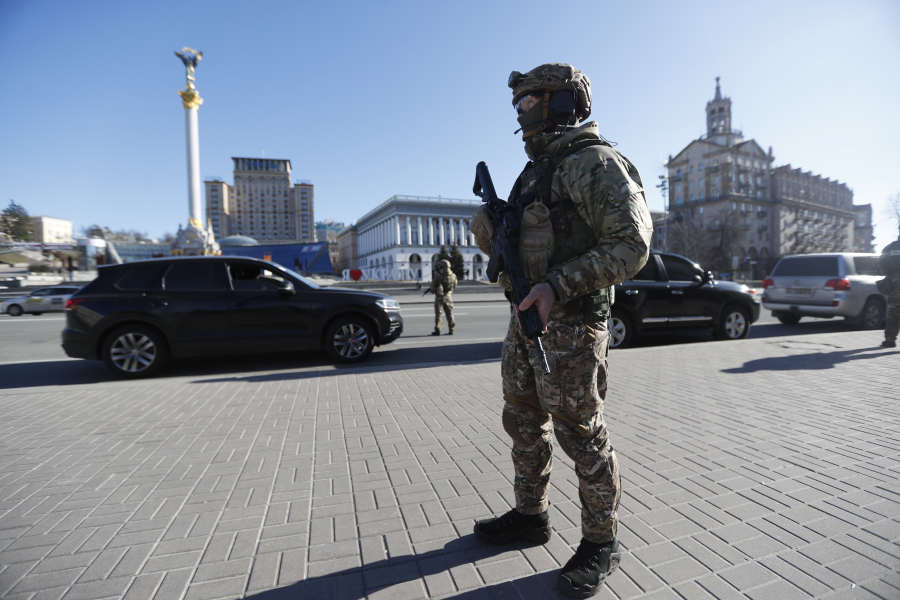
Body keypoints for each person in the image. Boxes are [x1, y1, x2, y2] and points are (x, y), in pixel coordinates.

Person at [470, 63, 652, 598]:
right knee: (522, 419)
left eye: (529, 101)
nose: (520, 112)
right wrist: (493, 233)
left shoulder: (593, 163)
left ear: (562, 103)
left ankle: (601, 541)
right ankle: (531, 515)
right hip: (527, 321)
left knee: (581, 432)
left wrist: (557, 284)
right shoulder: (534, 173)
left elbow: (632, 246)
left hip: (571, 325)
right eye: (518, 103)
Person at [879, 236, 900, 348]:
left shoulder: (890, 247)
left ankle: (890, 340)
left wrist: (889, 274)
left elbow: (881, 261)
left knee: (894, 312)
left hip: (895, 282)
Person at [430, 259, 457, 335]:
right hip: (448, 297)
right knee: (450, 314)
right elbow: (454, 286)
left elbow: (432, 289)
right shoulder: (453, 276)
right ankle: (452, 329)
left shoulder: (437, 276)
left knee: (438, 314)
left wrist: (435, 289)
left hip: (439, 298)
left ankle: (437, 330)